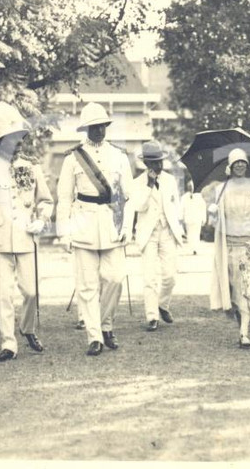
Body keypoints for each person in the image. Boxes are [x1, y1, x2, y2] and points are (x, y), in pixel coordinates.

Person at [0, 102, 54, 363]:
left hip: (25, 237)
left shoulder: (31, 167)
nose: (19, 142)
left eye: (21, 137)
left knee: (31, 291)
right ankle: (8, 343)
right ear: (0, 141)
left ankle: (27, 328)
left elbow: (45, 200)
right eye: (12, 138)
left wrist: (42, 219)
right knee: (4, 294)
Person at [56, 102, 133, 356]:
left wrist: (126, 227)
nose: (99, 130)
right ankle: (94, 336)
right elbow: (65, 198)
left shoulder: (120, 156)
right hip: (83, 225)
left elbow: (127, 197)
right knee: (87, 285)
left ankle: (106, 324)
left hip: (111, 224)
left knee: (115, 278)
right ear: (86, 129)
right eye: (94, 126)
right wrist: (64, 232)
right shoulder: (72, 158)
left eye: (102, 125)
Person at [208, 148, 250, 349]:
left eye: (243, 162)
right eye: (236, 162)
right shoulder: (221, 190)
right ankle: (244, 332)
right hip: (232, 246)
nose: (239, 165)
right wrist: (212, 214)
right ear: (230, 165)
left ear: (247, 164)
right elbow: (214, 223)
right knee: (238, 291)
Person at [127, 141, 185, 332]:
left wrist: (178, 225)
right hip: (148, 234)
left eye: (159, 161)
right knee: (150, 277)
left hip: (167, 231)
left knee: (171, 276)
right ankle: (152, 316)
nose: (157, 166)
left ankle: (162, 305)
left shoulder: (169, 180)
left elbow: (175, 204)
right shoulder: (137, 183)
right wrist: (150, 185)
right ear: (145, 163)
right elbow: (139, 207)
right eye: (153, 162)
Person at [181, 180, 207, 255]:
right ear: (188, 188)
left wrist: (203, 218)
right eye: (189, 187)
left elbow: (203, 207)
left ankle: (196, 249)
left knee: (196, 234)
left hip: (197, 218)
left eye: (192, 186)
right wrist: (181, 217)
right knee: (189, 234)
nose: (191, 188)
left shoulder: (199, 196)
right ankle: (191, 249)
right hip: (188, 219)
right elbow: (182, 208)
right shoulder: (184, 197)